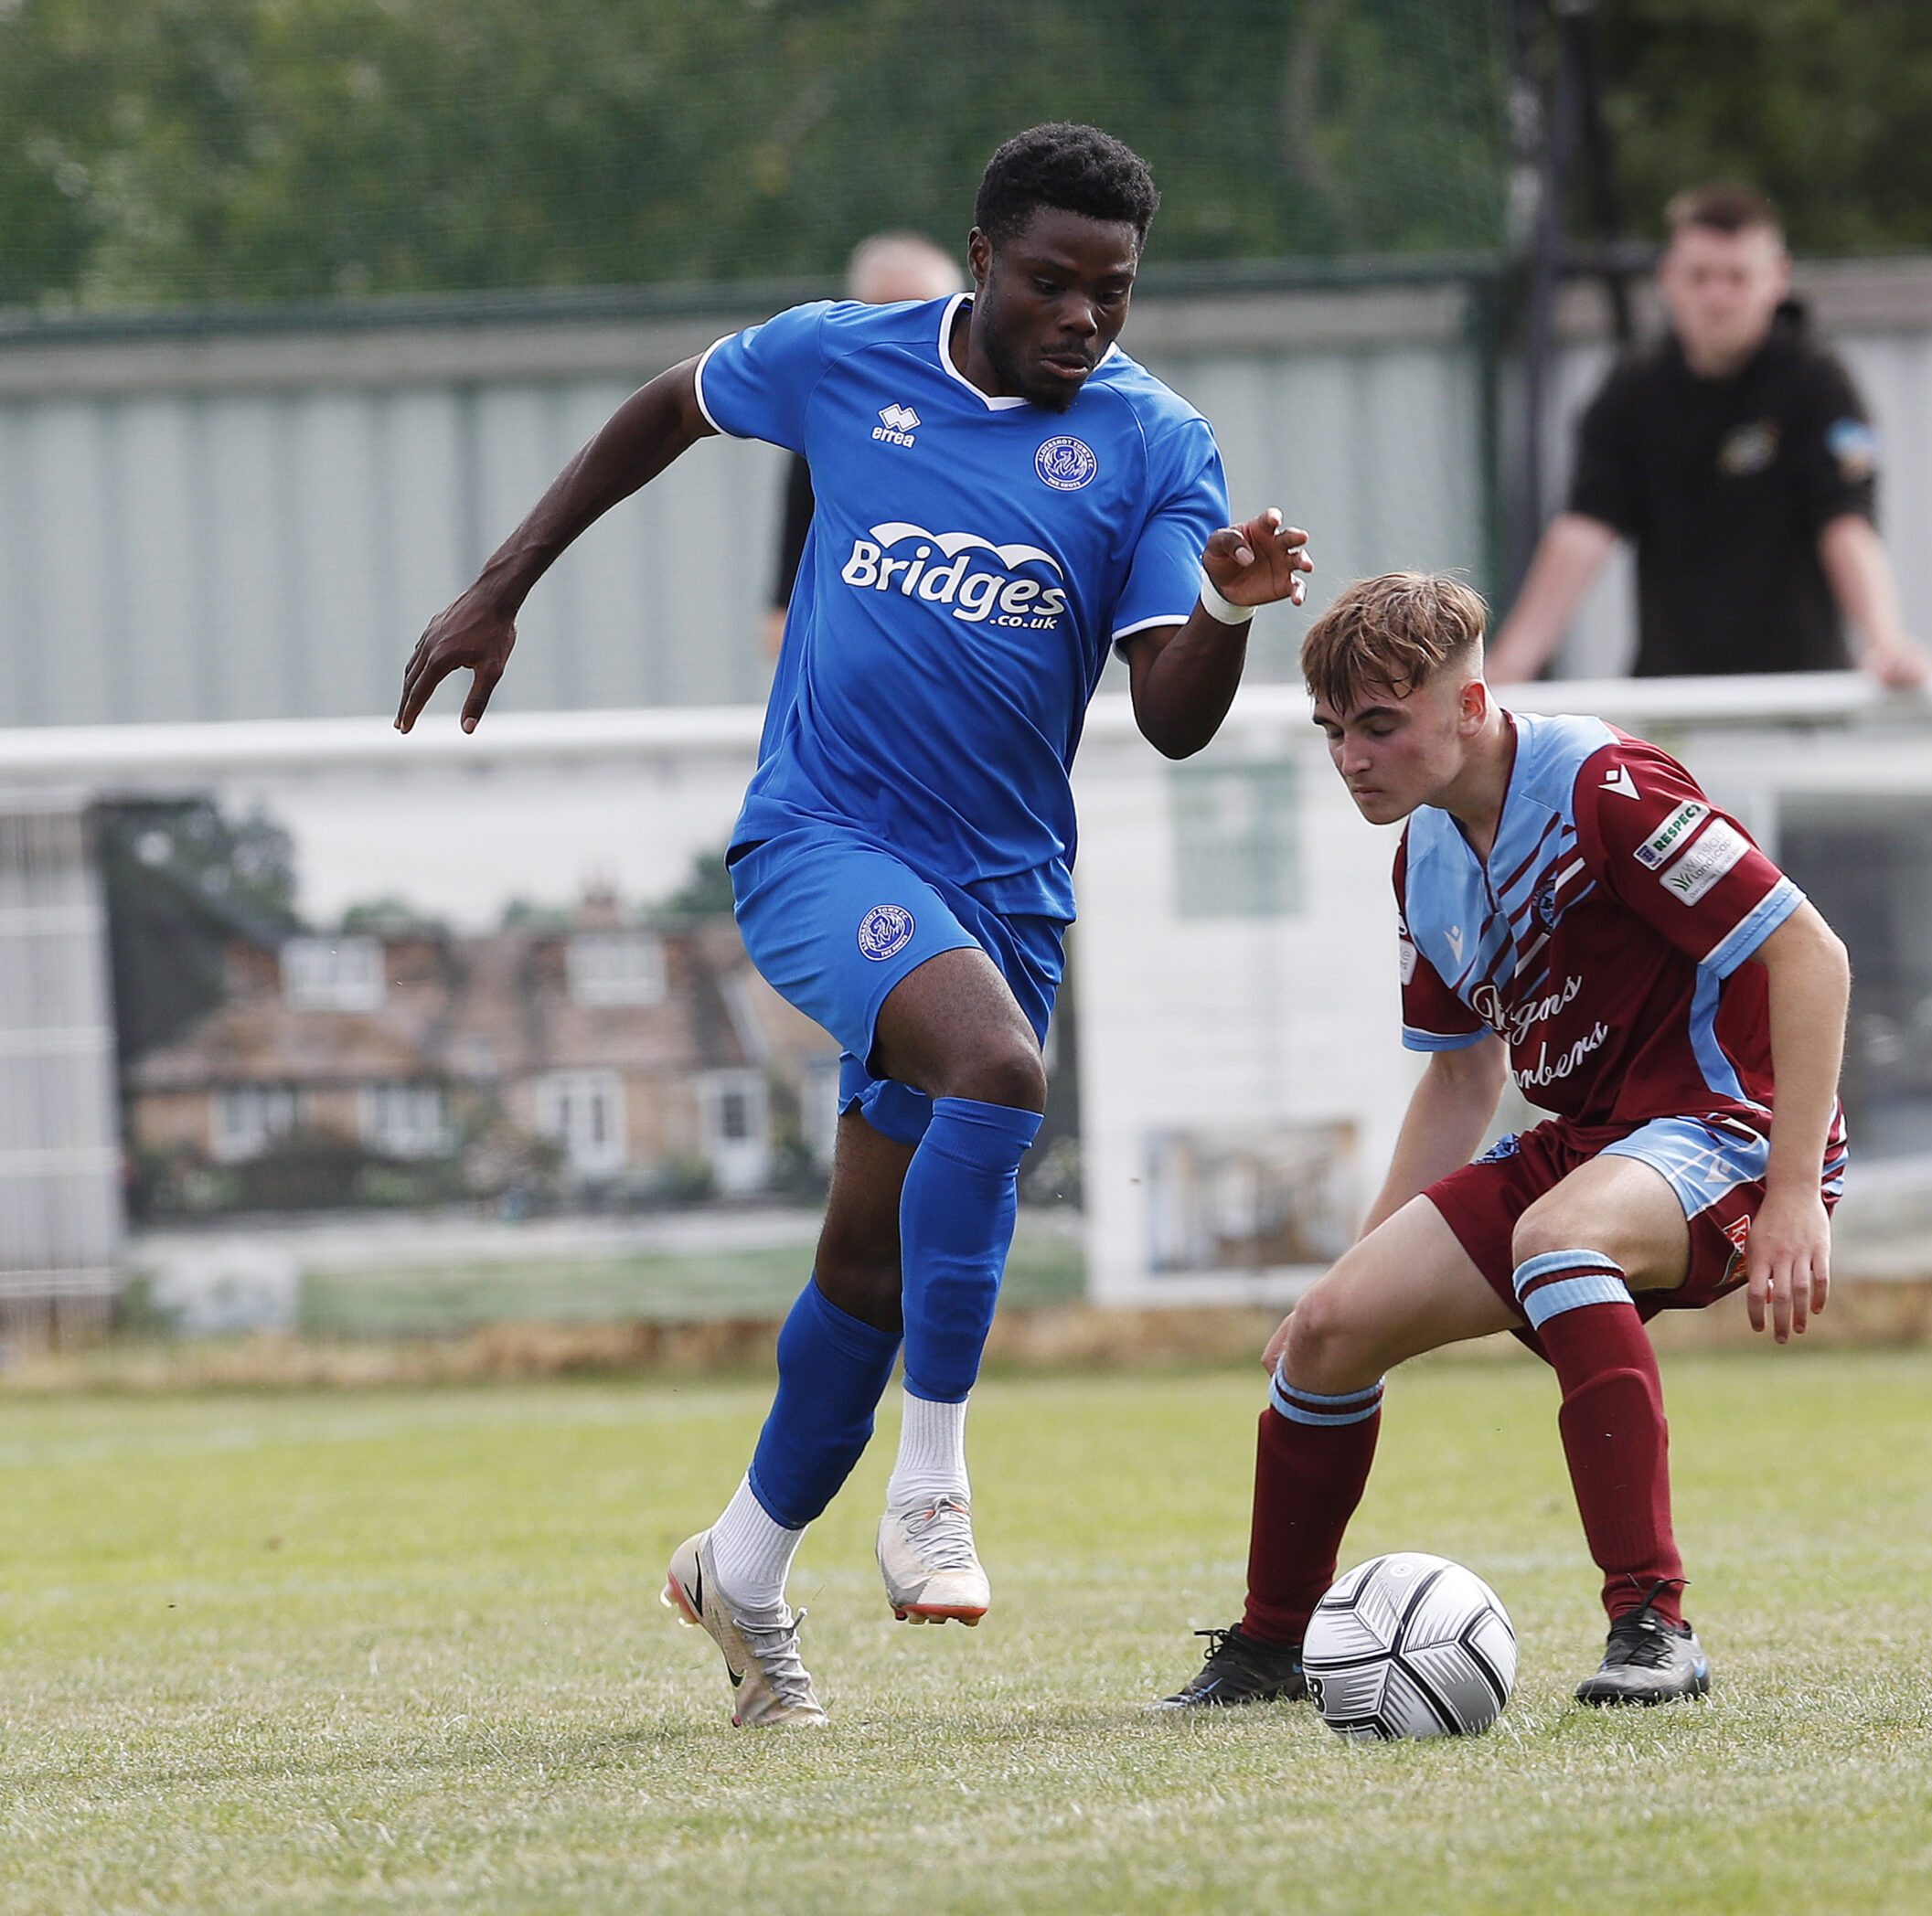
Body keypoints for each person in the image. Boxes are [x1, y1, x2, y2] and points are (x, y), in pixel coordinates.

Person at [397, 123, 1311, 1729]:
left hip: (1004, 887)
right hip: (819, 844)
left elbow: (1170, 715)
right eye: (1051, 281)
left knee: (869, 1261)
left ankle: (738, 1570)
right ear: (979, 259)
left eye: (1112, 291)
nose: (1083, 317)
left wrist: (1228, 605)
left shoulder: (1157, 444)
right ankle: (934, 1484)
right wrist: (501, 582)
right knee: (1002, 1074)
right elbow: (664, 409)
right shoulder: (839, 362)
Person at [1156, 571, 1848, 1711]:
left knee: (1557, 1240)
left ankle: (1652, 1626)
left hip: (1733, 1129)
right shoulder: (1420, 856)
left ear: (1469, 704)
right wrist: (1352, 1269)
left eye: (1380, 725)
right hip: (1594, 1144)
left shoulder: (1602, 785)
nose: (1352, 758)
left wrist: (1792, 1196)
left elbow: (1808, 954)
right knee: (1326, 1333)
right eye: (1333, 732)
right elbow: (1461, 1072)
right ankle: (1272, 1647)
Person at [1487, 183, 1932, 689]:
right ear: (1668, 279)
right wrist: (1507, 671)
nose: (1717, 297)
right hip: (1676, 699)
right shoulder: (1632, 389)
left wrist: (1887, 643)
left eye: (1737, 277)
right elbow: (1584, 529)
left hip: (1803, 698)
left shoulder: (1818, 385)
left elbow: (1847, 523)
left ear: (1777, 278)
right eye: (1699, 277)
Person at [763, 233, 967, 661]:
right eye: (892, 314)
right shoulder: (831, 420)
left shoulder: (992, 425)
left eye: (928, 313)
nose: (913, 335)